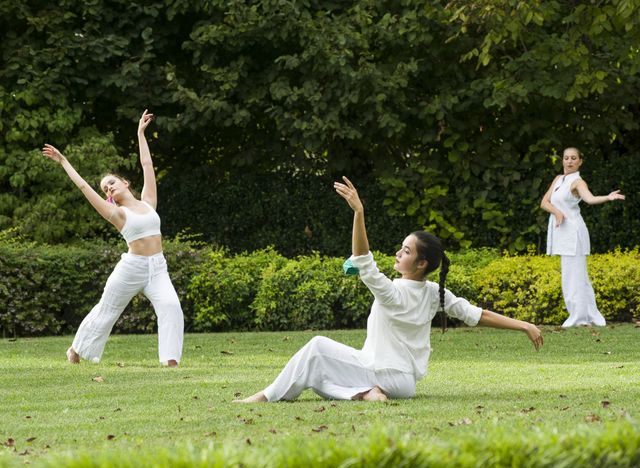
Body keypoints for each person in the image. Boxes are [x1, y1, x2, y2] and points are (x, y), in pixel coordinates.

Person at [234, 177, 543, 403]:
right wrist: (524, 325)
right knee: (317, 373)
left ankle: (266, 396)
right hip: (404, 384)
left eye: (405, 251)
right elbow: (478, 315)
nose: (398, 253)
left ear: (421, 263)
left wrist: (359, 213)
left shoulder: (393, 293)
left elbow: (362, 260)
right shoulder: (436, 293)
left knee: (316, 347)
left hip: (381, 373)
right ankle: (367, 393)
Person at [42, 110, 184, 366]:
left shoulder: (148, 202)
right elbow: (84, 187)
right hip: (132, 268)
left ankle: (170, 361)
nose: (108, 187)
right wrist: (63, 161)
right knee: (107, 310)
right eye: (105, 188)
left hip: (158, 267)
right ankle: (75, 349)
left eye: (111, 182)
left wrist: (140, 133)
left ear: (125, 182)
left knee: (171, 307)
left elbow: (147, 166)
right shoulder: (117, 213)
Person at [540, 147, 625, 328]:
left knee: (575, 276)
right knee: (571, 275)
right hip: (562, 231)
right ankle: (585, 315)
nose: (569, 161)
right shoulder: (558, 179)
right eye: (566, 158)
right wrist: (557, 213)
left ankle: (579, 317)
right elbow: (544, 202)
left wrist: (608, 198)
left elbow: (590, 199)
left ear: (580, 161)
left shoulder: (578, 182)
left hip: (574, 233)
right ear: (562, 160)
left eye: (573, 158)